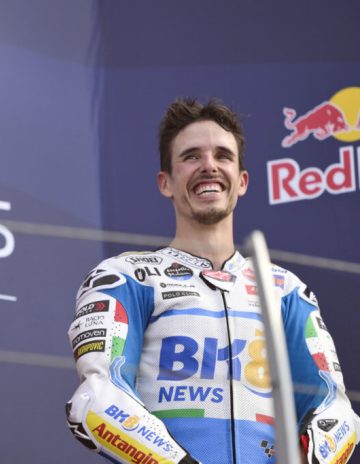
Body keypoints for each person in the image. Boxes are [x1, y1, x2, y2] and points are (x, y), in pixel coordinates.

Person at [65, 98, 360, 463]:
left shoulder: (286, 290)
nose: (209, 165)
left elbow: (336, 410)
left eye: (223, 155)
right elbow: (96, 401)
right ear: (165, 182)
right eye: (191, 156)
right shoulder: (124, 277)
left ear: (242, 181)